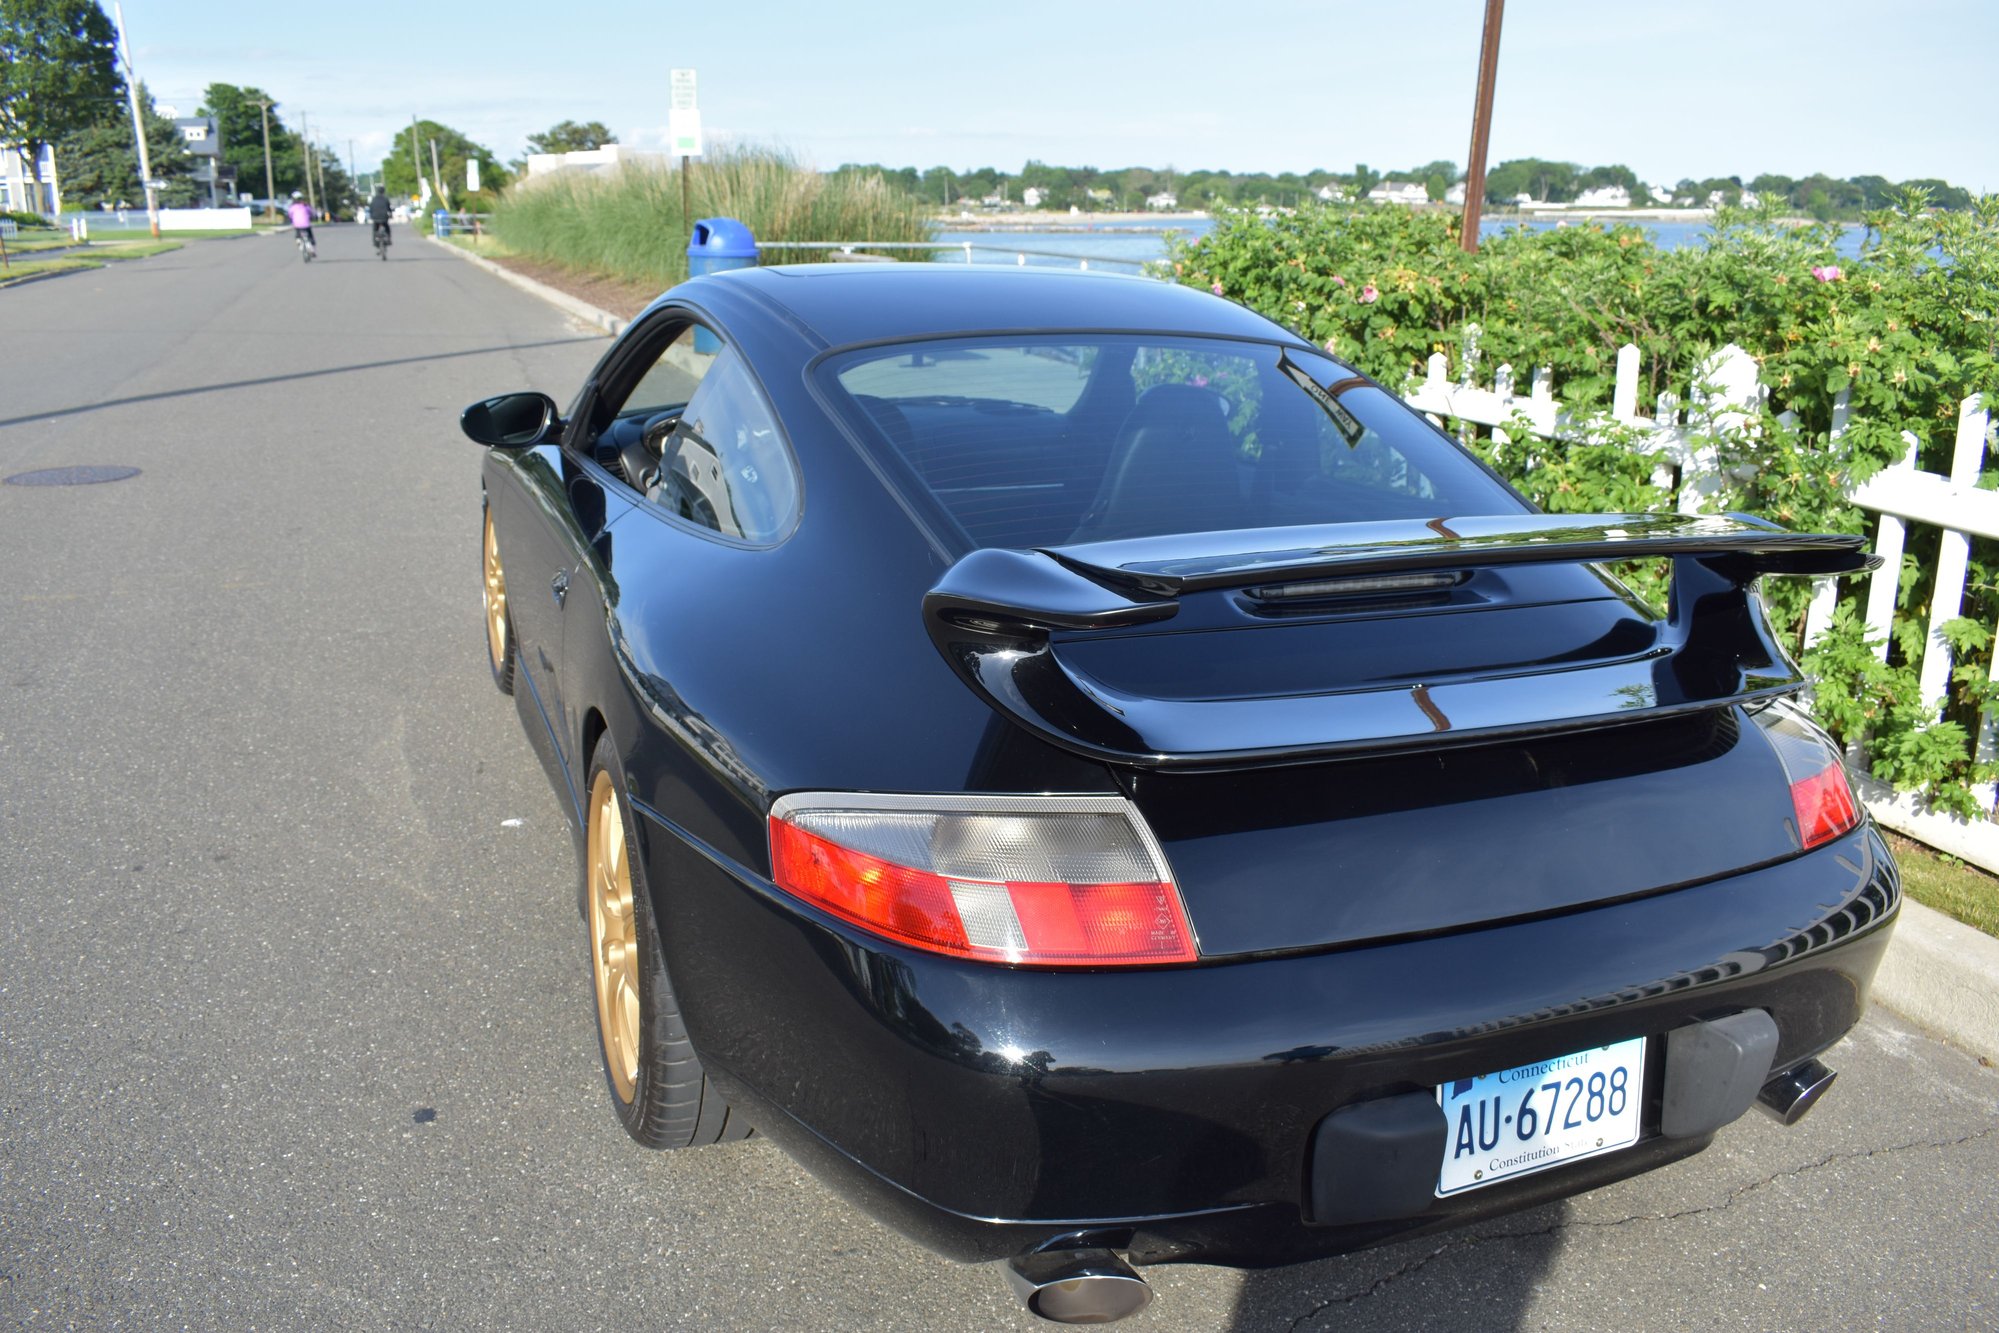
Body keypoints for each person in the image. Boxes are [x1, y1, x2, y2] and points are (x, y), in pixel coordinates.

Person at [286, 191, 316, 256]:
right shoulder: (305, 205)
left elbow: (290, 215)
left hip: (297, 225)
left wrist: (291, 220)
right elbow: (311, 213)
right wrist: (311, 218)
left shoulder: (292, 207)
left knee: (297, 235)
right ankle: (312, 248)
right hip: (306, 224)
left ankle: (299, 242)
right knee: (310, 235)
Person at [367, 186, 392, 250]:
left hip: (375, 217)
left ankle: (375, 242)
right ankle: (389, 239)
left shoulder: (374, 199)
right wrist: (391, 215)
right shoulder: (385, 199)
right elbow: (389, 208)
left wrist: (371, 216)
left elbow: (371, 209)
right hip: (384, 217)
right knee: (387, 228)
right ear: (383, 191)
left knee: (375, 230)